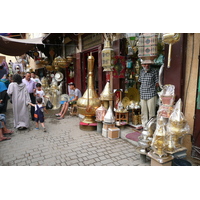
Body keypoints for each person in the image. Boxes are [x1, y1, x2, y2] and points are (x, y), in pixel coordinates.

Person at [138, 62, 159, 129]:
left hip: (151, 94)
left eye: (148, 64)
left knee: (151, 112)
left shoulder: (154, 71)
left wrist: (151, 88)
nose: (146, 65)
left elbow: (157, 83)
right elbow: (140, 81)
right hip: (143, 94)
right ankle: (144, 126)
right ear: (142, 65)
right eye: (144, 64)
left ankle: (151, 127)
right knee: (143, 112)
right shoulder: (141, 71)